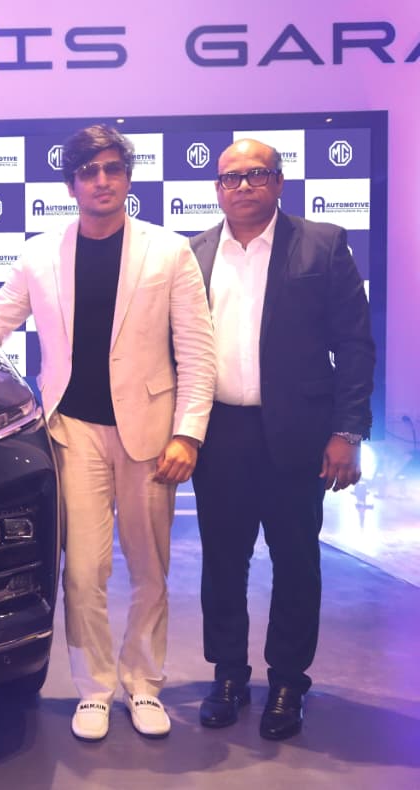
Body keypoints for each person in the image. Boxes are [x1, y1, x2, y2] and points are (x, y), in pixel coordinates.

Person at [0, 125, 215, 741]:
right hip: (72, 431)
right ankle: (94, 688)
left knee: (150, 569)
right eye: (89, 171)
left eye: (113, 169)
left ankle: (144, 682)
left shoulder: (169, 252)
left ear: (127, 177)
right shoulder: (40, 254)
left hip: (151, 435)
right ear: (71, 184)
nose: (102, 181)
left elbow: (197, 352)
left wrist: (189, 434)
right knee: (82, 572)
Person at [190, 139, 374, 740]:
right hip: (220, 433)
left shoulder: (323, 244)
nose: (243, 186)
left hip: (299, 434)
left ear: (278, 181)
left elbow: (354, 346)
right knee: (222, 563)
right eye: (231, 178)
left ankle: (289, 682)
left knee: (296, 561)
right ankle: (227, 675)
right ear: (217, 189)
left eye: (256, 174)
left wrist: (347, 431)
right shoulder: (193, 254)